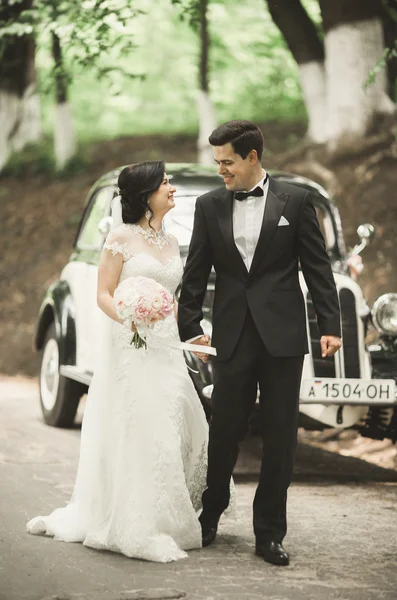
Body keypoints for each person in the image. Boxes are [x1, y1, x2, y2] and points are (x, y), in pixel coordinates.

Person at [26, 161, 210, 563]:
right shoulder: (119, 237)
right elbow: (104, 293)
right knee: (140, 425)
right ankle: (135, 522)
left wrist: (191, 336)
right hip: (130, 344)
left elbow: (172, 300)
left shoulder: (171, 239)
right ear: (147, 194)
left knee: (175, 421)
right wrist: (131, 317)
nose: (172, 188)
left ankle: (167, 515)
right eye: (166, 183)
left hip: (165, 347)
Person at [178, 120, 342, 566]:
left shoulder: (298, 200)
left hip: (284, 336)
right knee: (226, 430)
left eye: (226, 161)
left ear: (252, 157)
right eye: (217, 163)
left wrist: (331, 324)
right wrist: (189, 325)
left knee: (281, 435)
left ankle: (269, 532)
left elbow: (317, 266)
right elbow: (195, 270)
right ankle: (209, 515)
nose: (221, 171)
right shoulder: (210, 205)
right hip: (231, 334)